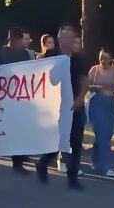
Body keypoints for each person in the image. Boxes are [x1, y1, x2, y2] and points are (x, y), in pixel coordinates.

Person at [35, 26, 88, 190]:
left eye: (71, 38)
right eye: (65, 37)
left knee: (75, 142)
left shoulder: (80, 59)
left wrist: (79, 100)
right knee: (57, 139)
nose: (69, 41)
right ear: (59, 40)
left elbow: (85, 82)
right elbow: (38, 77)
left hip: (75, 106)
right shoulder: (52, 56)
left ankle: (72, 178)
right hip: (57, 107)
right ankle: (42, 164)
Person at [0, 27, 33, 172]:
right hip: (0, 95)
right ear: (11, 40)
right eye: (18, 40)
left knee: (17, 128)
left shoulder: (25, 54)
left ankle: (17, 162)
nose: (21, 43)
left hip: (17, 95)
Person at [88, 47, 114, 177]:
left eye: (106, 58)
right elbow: (86, 85)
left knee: (106, 134)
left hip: (110, 103)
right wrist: (95, 88)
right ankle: (108, 166)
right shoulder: (94, 69)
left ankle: (95, 159)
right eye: (101, 57)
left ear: (111, 59)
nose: (103, 60)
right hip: (97, 102)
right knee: (102, 134)